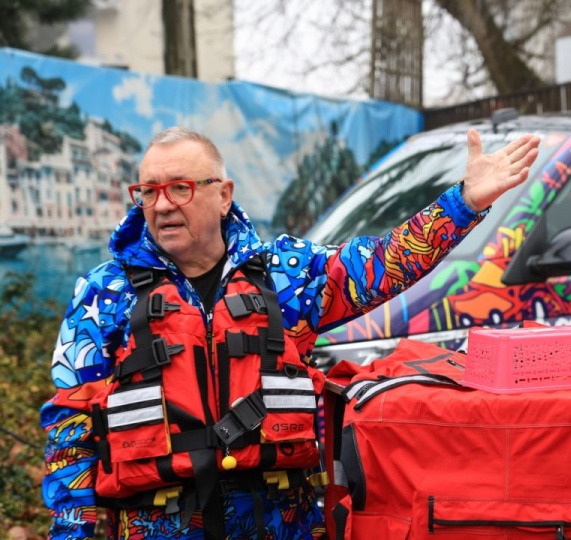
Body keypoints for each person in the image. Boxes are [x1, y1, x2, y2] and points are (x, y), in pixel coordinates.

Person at [40, 125, 541, 539]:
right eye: (148, 190)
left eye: (180, 187)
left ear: (223, 195)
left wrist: (464, 203)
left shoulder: (286, 272)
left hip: (283, 525)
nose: (162, 204)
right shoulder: (103, 296)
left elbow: (382, 266)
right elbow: (70, 430)